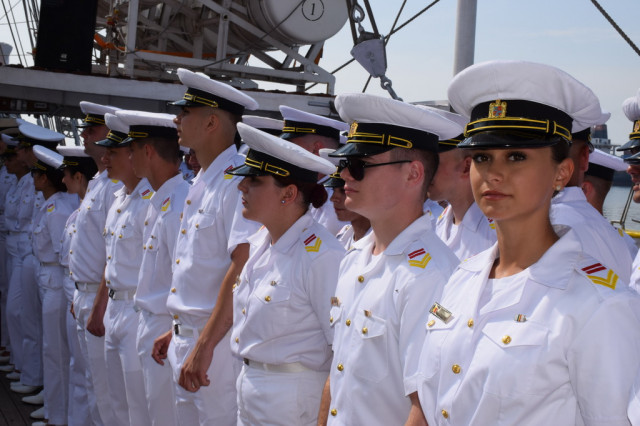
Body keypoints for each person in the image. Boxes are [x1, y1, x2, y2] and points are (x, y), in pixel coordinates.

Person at [417, 59, 640, 426]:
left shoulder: (599, 305)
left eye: (516, 156)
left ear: (561, 173)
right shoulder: (462, 279)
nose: (494, 173)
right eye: (482, 157)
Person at [318, 93, 461, 425]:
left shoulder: (431, 276)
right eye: (343, 165)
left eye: (359, 166)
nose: (345, 176)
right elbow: (338, 371)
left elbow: (425, 407)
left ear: (413, 174)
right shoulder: (354, 258)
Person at [152, 68, 259, 425]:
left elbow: (241, 265)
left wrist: (204, 343)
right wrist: (178, 328)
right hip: (190, 337)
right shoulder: (201, 180)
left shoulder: (236, 180)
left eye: (185, 113)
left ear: (211, 122)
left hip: (216, 348)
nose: (176, 119)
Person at [227, 123, 344, 425]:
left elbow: (342, 349)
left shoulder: (321, 256)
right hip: (251, 386)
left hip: (293, 400)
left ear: (289, 193)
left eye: (254, 180)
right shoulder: (261, 243)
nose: (241, 187)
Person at [122, 110, 188, 426]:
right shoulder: (160, 201)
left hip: (164, 328)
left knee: (162, 418)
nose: (128, 157)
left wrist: (172, 331)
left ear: (147, 151)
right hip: (148, 322)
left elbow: (184, 281)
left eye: (132, 149)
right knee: (143, 413)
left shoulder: (178, 206)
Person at [97, 111, 154, 425]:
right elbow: (110, 262)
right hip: (114, 308)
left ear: (133, 156)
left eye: (113, 153)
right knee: (116, 398)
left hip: (136, 311)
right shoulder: (118, 199)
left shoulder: (151, 202)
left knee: (138, 404)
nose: (105, 159)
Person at [71, 101, 122, 426]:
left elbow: (111, 254)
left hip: (99, 297)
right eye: (85, 130)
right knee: (91, 381)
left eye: (92, 129)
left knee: (105, 391)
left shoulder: (112, 186)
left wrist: (98, 305)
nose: (85, 135)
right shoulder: (98, 182)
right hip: (85, 293)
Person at [9, 122, 63, 398]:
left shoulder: (56, 196)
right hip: (30, 254)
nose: (17, 153)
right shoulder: (30, 180)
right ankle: (33, 375)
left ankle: (37, 379)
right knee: (24, 316)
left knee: (40, 327)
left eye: (22, 148)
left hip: (42, 260)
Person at [31, 145, 79, 426]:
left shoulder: (59, 209)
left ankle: (58, 415)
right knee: (53, 349)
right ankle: (54, 409)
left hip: (58, 283)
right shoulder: (52, 205)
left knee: (58, 351)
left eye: (37, 174)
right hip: (48, 278)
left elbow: (65, 257)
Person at [420, 107, 497, 260]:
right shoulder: (436, 225)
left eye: (433, 162)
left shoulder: (496, 233)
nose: (425, 171)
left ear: (466, 167)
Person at [58, 144, 97, 426]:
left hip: (94, 298)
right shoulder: (79, 211)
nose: (62, 180)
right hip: (79, 295)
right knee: (80, 368)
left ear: (79, 177)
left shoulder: (94, 209)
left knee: (94, 378)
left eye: (66, 175)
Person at [279, 105, 349, 235]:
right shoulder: (312, 187)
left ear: (316, 149)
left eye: (293, 147)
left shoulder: (336, 198)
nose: (287, 153)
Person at [318, 148, 371, 249]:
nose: (333, 198)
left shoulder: (382, 241)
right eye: (333, 190)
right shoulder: (344, 235)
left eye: (344, 191)